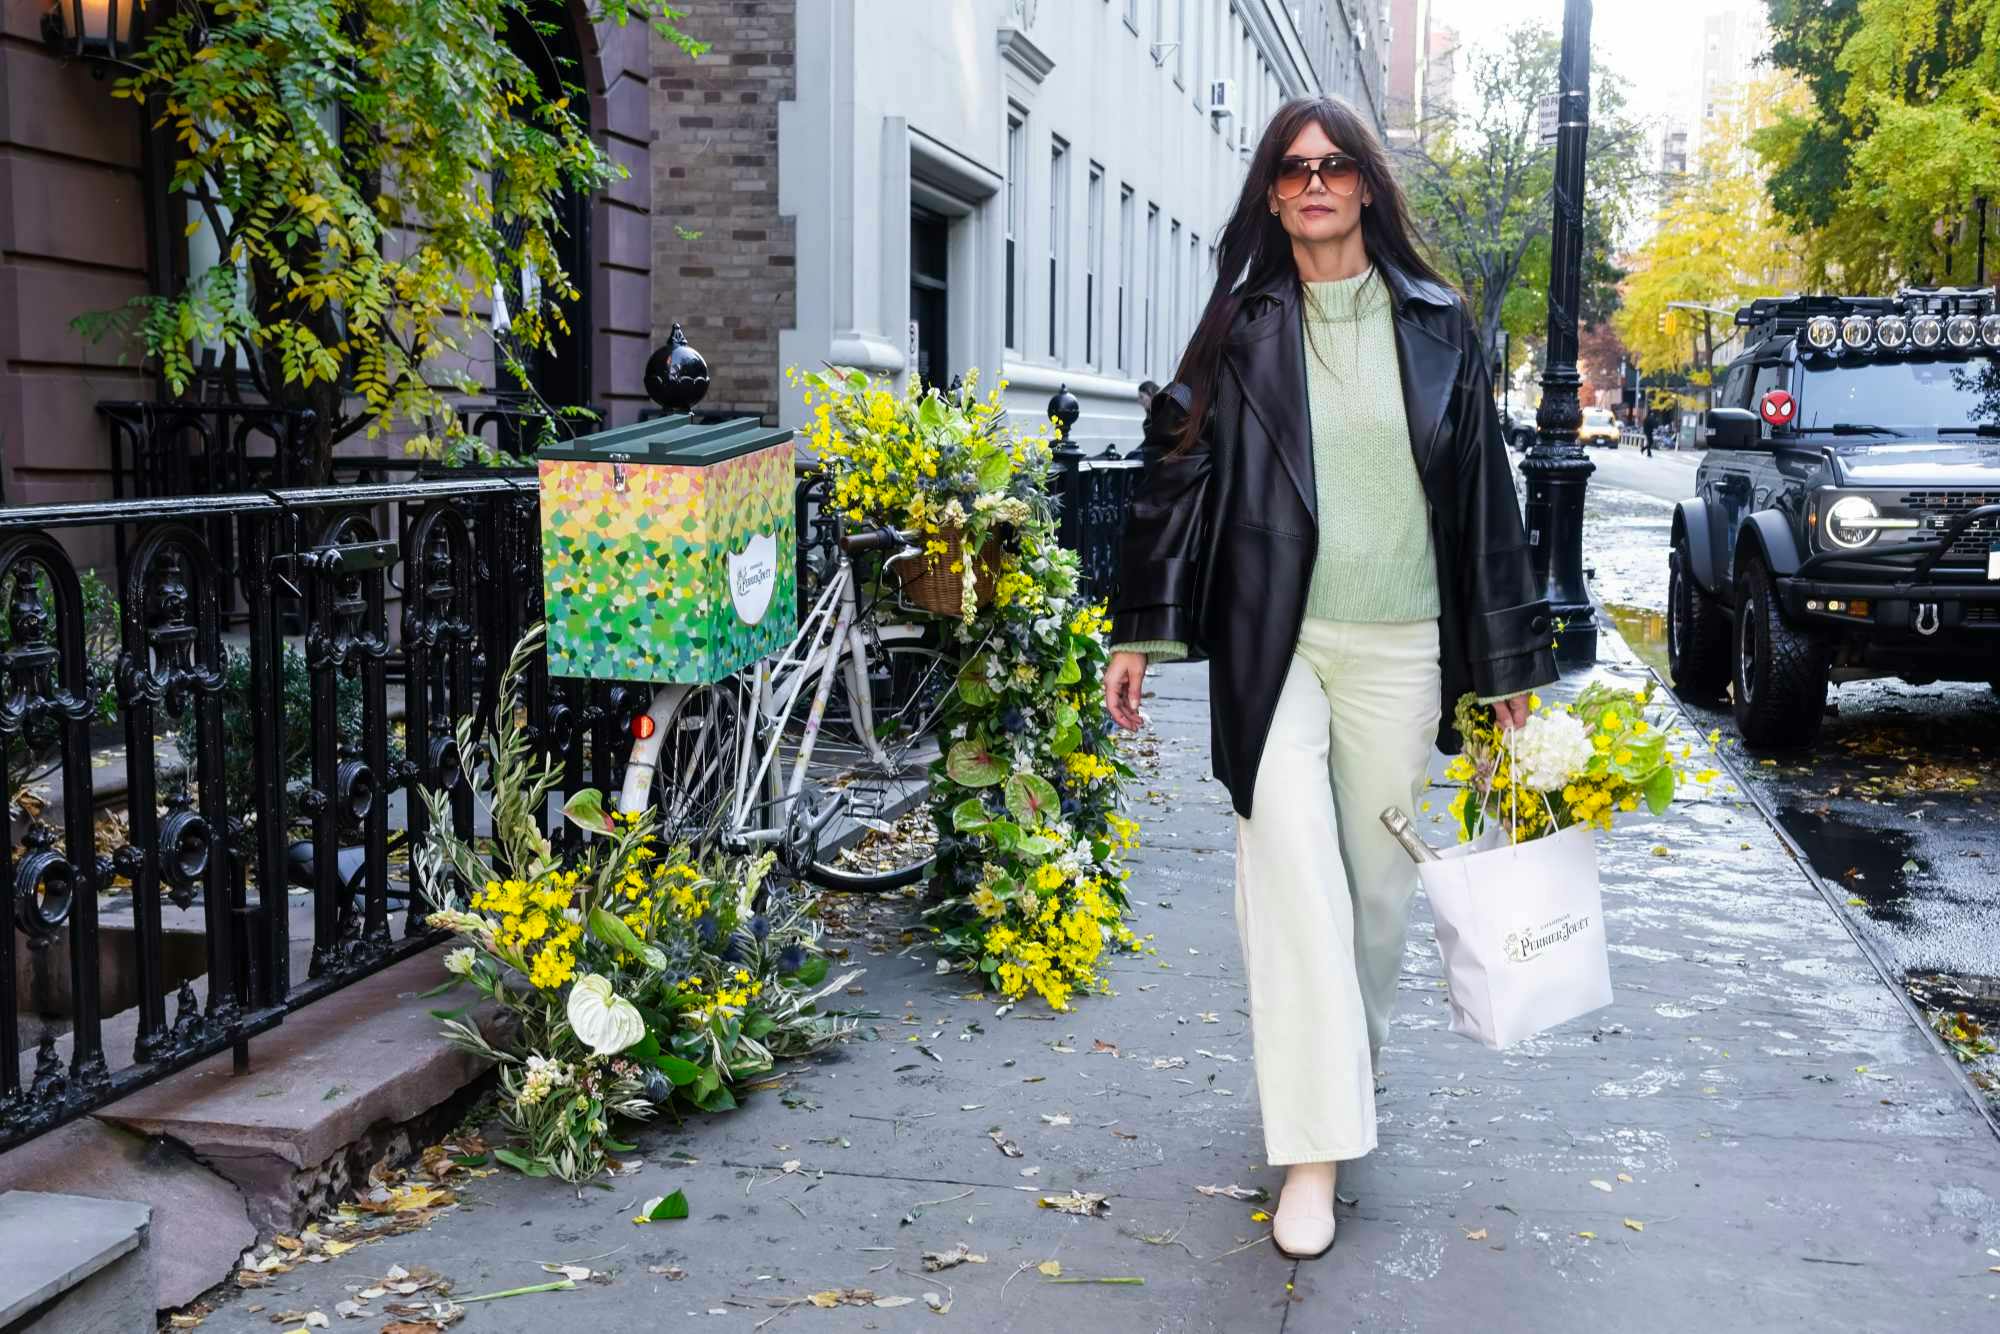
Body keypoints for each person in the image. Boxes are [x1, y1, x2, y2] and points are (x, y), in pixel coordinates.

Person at [1100, 96, 1557, 1261]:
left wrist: (1503, 664)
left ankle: (1339, 1083)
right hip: (1277, 647)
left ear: (1364, 185)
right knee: (1291, 875)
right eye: (1291, 169)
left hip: (1401, 651)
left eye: (1333, 165)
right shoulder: (1239, 326)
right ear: (1270, 193)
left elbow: (1483, 505)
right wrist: (1137, 633)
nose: (1312, 183)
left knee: (1372, 904)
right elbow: (1172, 478)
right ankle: (1312, 1152)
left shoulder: (1440, 325)